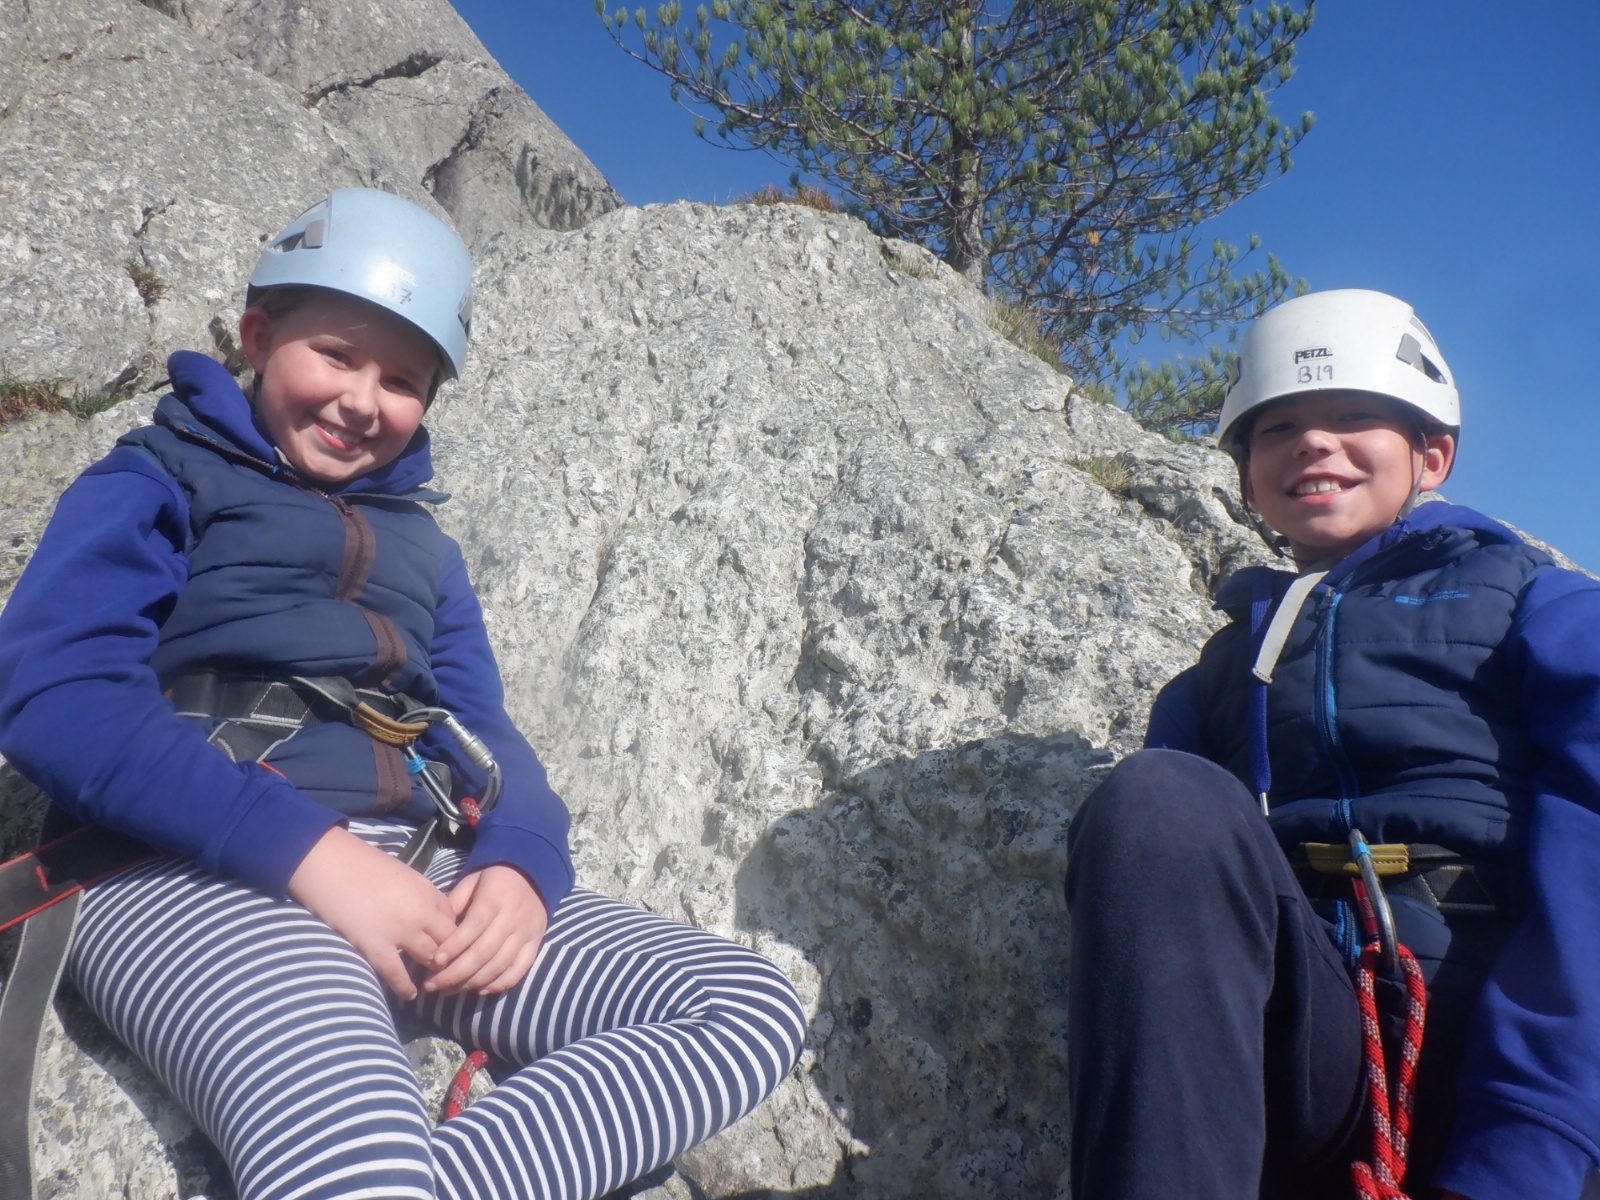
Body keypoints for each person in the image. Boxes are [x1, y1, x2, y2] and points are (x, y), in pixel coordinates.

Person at [0, 187, 805, 1200]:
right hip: (182, 865)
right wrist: (313, 856)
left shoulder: (427, 551)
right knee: (356, 1168)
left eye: (402, 381)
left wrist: (521, 859)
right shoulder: (157, 479)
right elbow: (56, 692)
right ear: (258, 337)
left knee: (743, 1006)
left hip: (422, 869)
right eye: (336, 355)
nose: (362, 400)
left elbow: (484, 731)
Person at [1064, 289, 1600, 1200]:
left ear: (1433, 454)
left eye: (1355, 416)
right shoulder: (1222, 672)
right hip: (1303, 1037)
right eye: (1277, 429)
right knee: (1156, 801)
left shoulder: (1541, 604)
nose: (1313, 442)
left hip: (1497, 1027)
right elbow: (1159, 897)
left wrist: (1528, 1145)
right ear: (1246, 480)